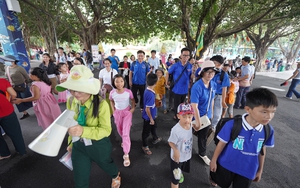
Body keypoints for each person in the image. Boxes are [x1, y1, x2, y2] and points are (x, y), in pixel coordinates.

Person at [56, 65, 121, 188]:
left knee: (106, 164)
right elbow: (71, 124)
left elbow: (106, 130)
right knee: (80, 181)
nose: (75, 93)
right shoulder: (71, 101)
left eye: (79, 90)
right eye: (72, 89)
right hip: (78, 146)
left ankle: (115, 175)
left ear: (89, 88)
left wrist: (82, 130)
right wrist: (70, 143)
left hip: (99, 144)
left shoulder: (102, 104)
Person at [210, 88, 277, 188]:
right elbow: (221, 144)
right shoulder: (232, 125)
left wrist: (260, 170)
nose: (269, 116)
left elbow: (262, 149)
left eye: (273, 112)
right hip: (226, 166)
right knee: (222, 184)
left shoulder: (268, 130)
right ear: (248, 109)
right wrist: (214, 160)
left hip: (248, 170)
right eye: (264, 112)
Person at [190, 60, 217, 166]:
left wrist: (212, 114)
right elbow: (194, 106)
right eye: (208, 72)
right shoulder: (197, 86)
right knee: (187, 134)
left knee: (203, 136)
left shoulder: (213, 84)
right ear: (203, 72)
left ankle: (202, 154)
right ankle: (179, 150)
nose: (211, 75)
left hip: (207, 116)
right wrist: (197, 121)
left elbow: (212, 100)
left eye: (213, 72)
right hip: (195, 116)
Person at [168, 103, 200, 188]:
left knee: (181, 169)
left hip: (186, 156)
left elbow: (195, 125)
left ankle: (180, 172)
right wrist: (175, 150)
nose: (187, 120)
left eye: (189, 117)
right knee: (175, 179)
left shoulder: (190, 125)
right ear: (178, 116)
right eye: (184, 116)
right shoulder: (176, 130)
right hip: (177, 158)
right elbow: (170, 142)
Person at [109, 74, 135, 167]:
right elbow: (111, 101)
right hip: (117, 113)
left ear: (124, 82)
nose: (119, 83)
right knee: (120, 130)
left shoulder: (128, 92)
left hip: (127, 112)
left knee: (125, 133)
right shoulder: (112, 93)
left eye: (121, 81)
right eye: (117, 81)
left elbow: (133, 100)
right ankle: (124, 141)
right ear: (114, 82)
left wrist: (132, 109)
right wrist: (113, 111)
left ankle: (126, 154)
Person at [0, 78, 26, 160]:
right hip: (7, 111)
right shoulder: (3, 81)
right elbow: (13, 93)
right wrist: (10, 102)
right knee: (16, 133)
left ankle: (4, 154)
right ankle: (21, 150)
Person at [165, 48, 193, 121]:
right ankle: (176, 116)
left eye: (187, 56)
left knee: (183, 104)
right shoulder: (175, 65)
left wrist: (193, 74)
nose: (186, 57)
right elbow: (168, 73)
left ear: (189, 56)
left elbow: (191, 77)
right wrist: (166, 82)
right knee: (177, 104)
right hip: (177, 89)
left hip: (185, 89)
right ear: (181, 55)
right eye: (184, 55)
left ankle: (180, 115)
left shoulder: (190, 66)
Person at [2, 55, 32, 120]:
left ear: (13, 61)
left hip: (22, 86)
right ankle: (25, 113)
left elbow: (26, 76)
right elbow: (7, 77)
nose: (6, 62)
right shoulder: (6, 68)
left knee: (26, 98)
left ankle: (38, 109)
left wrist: (27, 83)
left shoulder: (19, 68)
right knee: (16, 100)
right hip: (12, 87)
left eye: (7, 60)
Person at [141, 73, 162, 155]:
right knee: (146, 132)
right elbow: (147, 108)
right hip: (148, 117)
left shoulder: (148, 90)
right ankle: (144, 145)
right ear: (156, 83)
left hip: (151, 116)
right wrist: (151, 119)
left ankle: (155, 138)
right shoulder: (150, 94)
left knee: (154, 127)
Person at [210, 55, 230, 131]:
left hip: (218, 96)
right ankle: (206, 126)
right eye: (212, 63)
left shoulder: (224, 75)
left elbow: (224, 89)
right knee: (208, 113)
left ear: (220, 64)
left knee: (217, 115)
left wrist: (223, 101)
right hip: (209, 95)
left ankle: (213, 127)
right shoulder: (208, 72)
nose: (213, 65)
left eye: (215, 63)